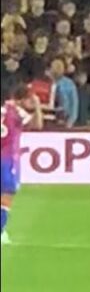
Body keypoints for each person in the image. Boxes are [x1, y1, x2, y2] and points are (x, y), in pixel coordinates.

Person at [1, 86, 43, 245]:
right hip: (7, 158)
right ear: (22, 99)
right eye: (30, 99)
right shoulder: (17, 111)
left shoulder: (4, 109)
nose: (32, 103)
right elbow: (38, 125)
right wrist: (38, 107)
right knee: (6, 195)